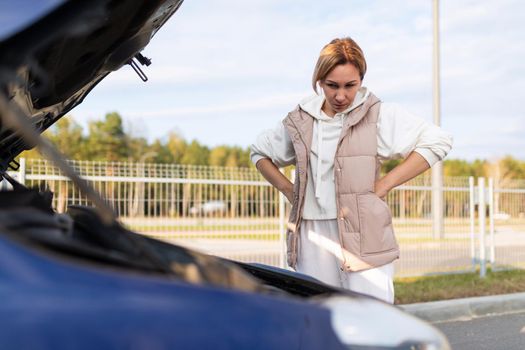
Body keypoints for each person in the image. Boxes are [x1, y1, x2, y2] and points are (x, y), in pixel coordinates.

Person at [250, 37, 453, 304]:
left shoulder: (379, 115)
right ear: (319, 81)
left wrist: (385, 184)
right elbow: (259, 152)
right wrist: (291, 191)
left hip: (364, 234)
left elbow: (438, 140)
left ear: (361, 80)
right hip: (312, 236)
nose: (341, 95)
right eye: (332, 85)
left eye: (350, 85)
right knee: (320, 318)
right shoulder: (300, 120)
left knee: (373, 318)